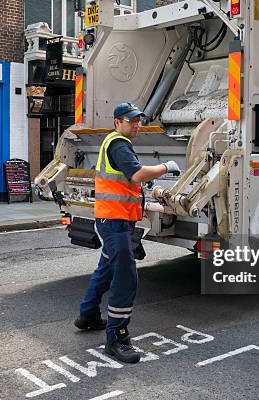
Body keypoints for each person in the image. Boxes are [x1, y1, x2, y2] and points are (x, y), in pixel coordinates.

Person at [74, 102, 181, 363]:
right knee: (126, 277)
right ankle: (117, 337)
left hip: (114, 220)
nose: (136, 124)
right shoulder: (118, 144)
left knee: (107, 268)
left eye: (138, 120)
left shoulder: (116, 143)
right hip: (115, 223)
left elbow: (127, 180)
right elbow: (136, 174)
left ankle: (88, 314)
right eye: (131, 120)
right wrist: (167, 166)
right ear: (117, 122)